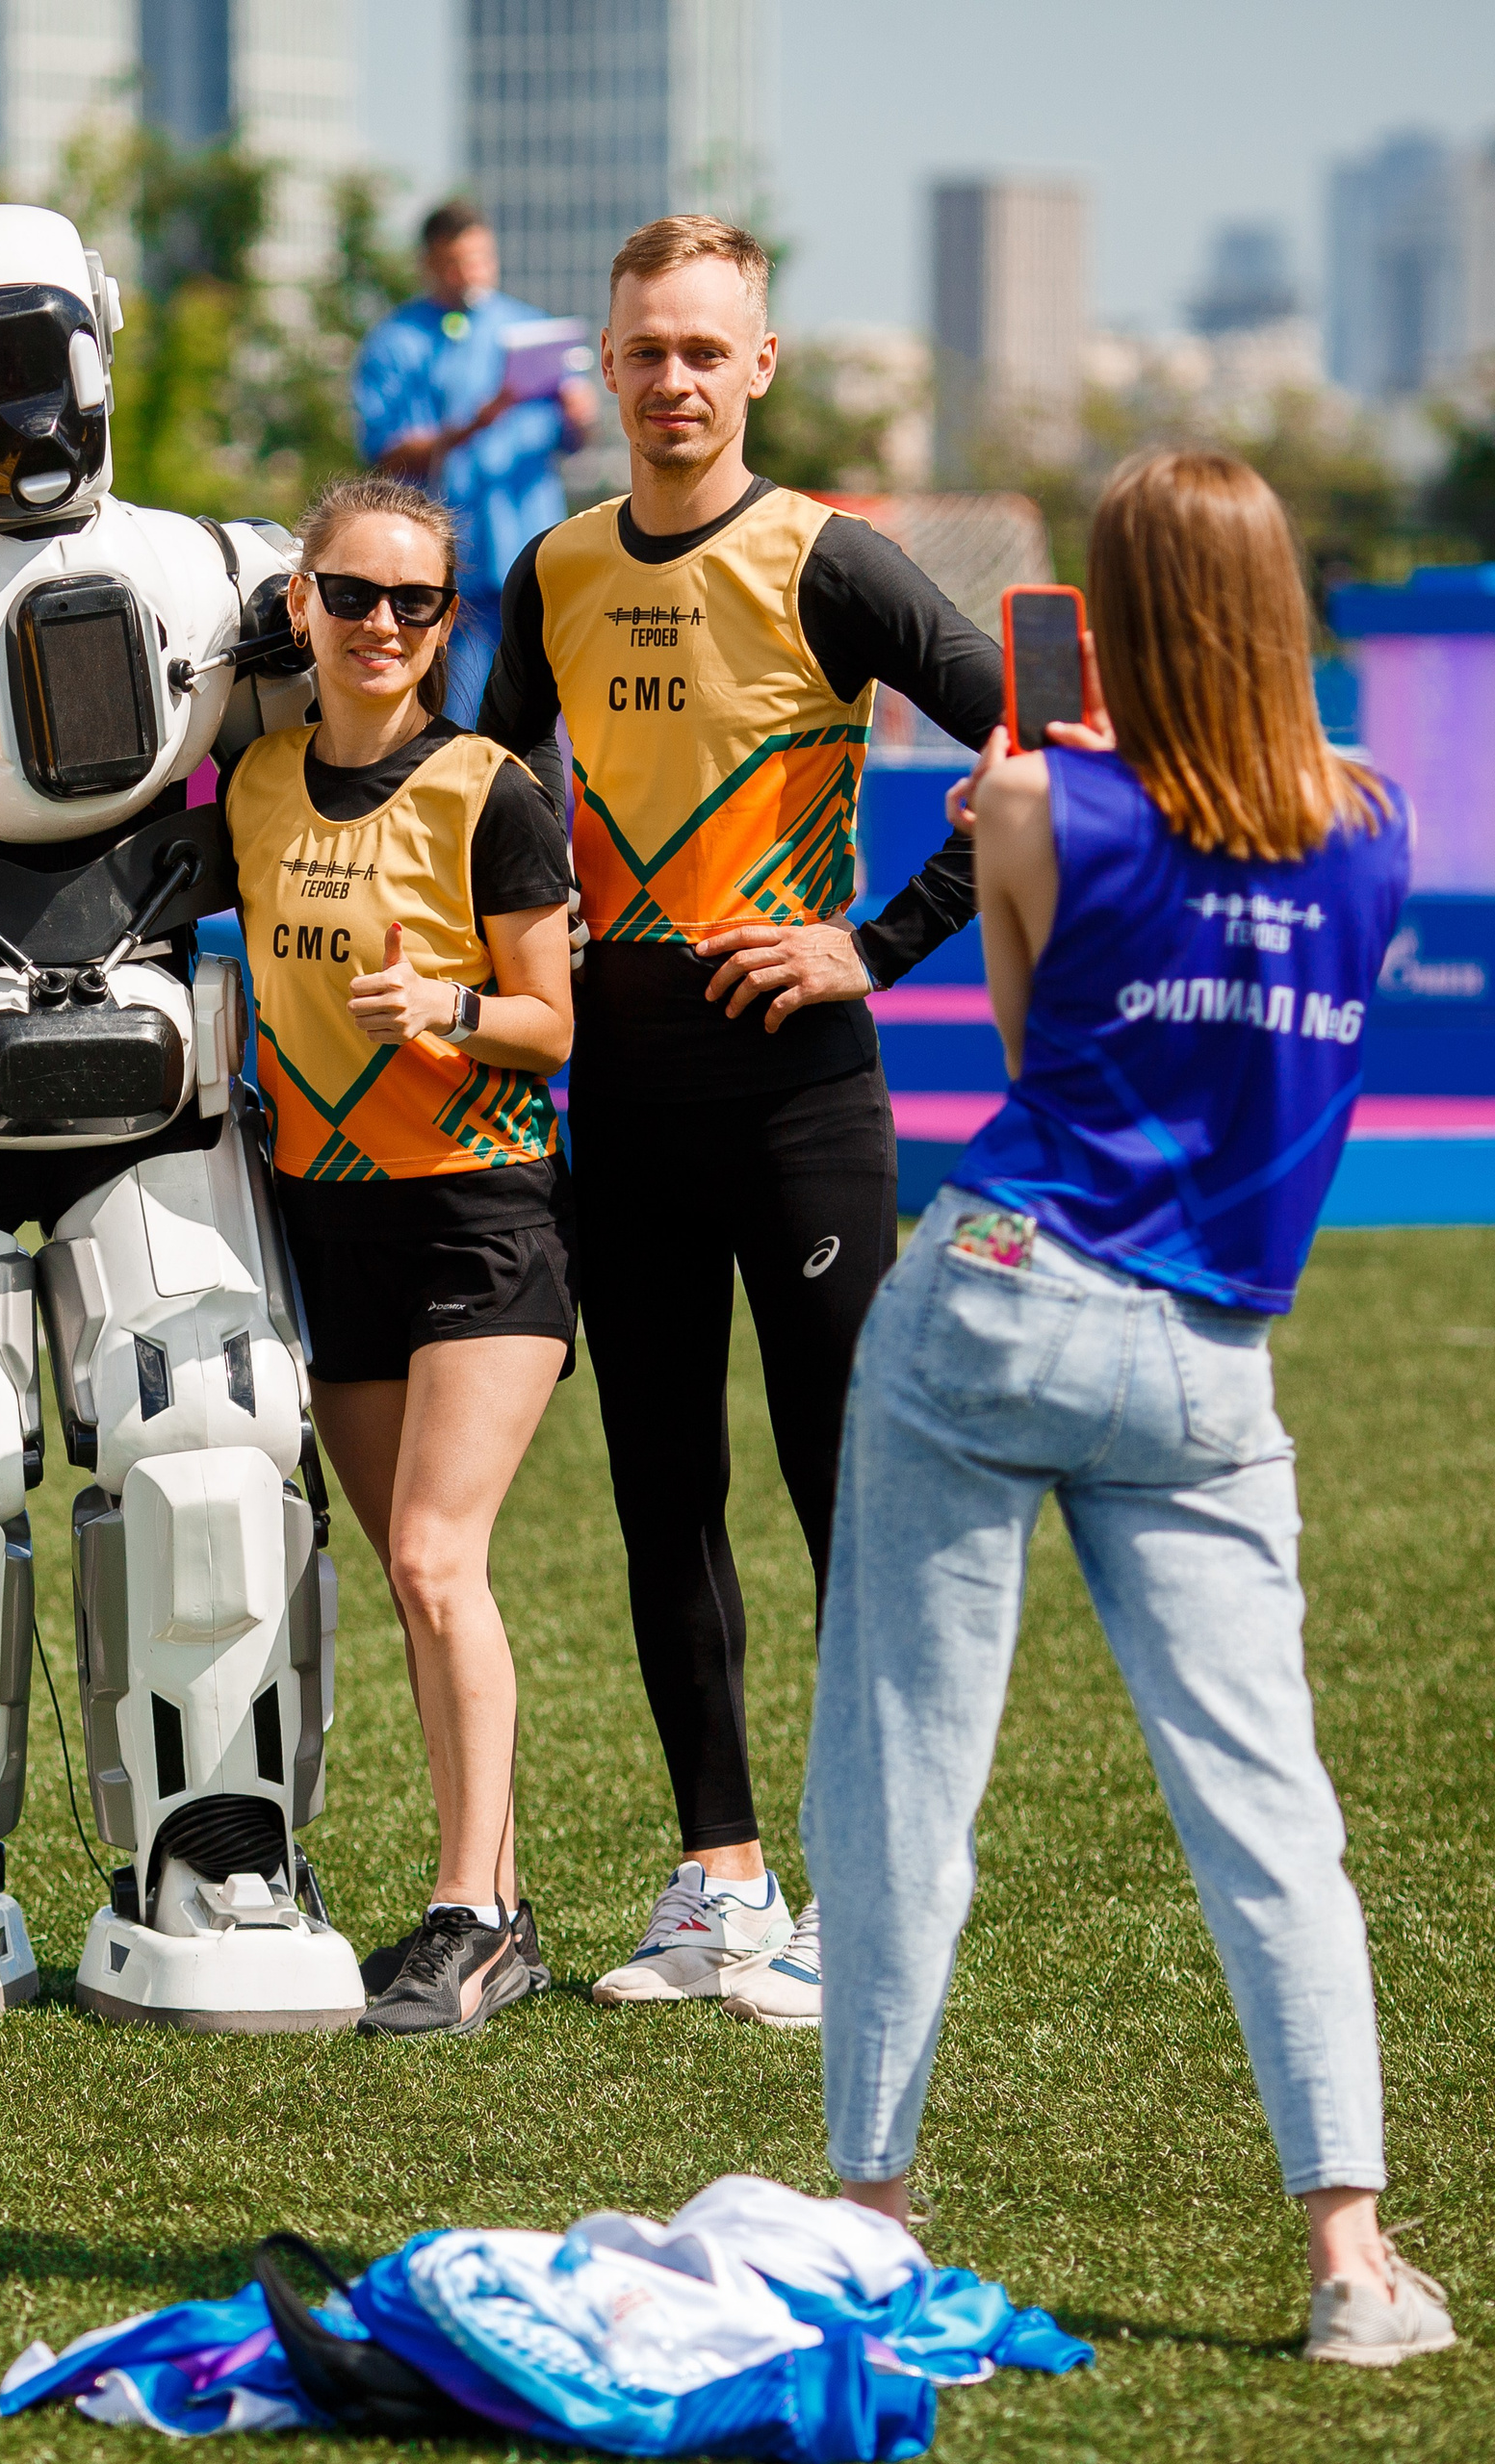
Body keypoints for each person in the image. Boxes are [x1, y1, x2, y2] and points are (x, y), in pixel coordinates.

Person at [804, 447, 1452, 2371]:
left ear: (1109, 607)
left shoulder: (1025, 797)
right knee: (1268, 1806)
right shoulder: (1376, 824)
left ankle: (872, 2214)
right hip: (1203, 1358)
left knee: (902, 1770)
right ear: (1275, 609)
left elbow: (1034, 1048)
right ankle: (1346, 2249)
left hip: (1000, 1296)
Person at [477, 215, 1003, 2026]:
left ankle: (877, 1887)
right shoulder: (548, 570)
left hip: (799, 1105)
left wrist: (875, 946)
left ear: (759, 366)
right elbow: (492, 825)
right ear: (606, 370)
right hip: (617, 1101)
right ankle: (721, 1884)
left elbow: (1033, 746)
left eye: (708, 348)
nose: (676, 379)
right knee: (660, 1494)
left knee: (837, 1487)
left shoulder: (830, 560)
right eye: (647, 350)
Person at [225, 474, 578, 2038]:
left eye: (414, 603)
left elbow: (553, 1027)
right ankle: (478, 1893)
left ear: (449, 621)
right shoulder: (251, 782)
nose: (381, 626)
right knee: (413, 1578)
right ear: (297, 605)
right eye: (351, 596)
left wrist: (442, 1011)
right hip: (328, 1216)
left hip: (481, 1208)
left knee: (440, 1560)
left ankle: (476, 1915)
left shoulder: (492, 789)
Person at [353, 198, 596, 726]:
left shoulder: (528, 329)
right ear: (429, 264)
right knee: (461, 716)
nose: (471, 274)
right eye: (456, 262)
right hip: (455, 562)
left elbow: (571, 441)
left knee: (550, 719)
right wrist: (480, 420)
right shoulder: (397, 341)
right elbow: (387, 453)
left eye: (482, 259)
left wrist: (581, 416)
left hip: (533, 555)